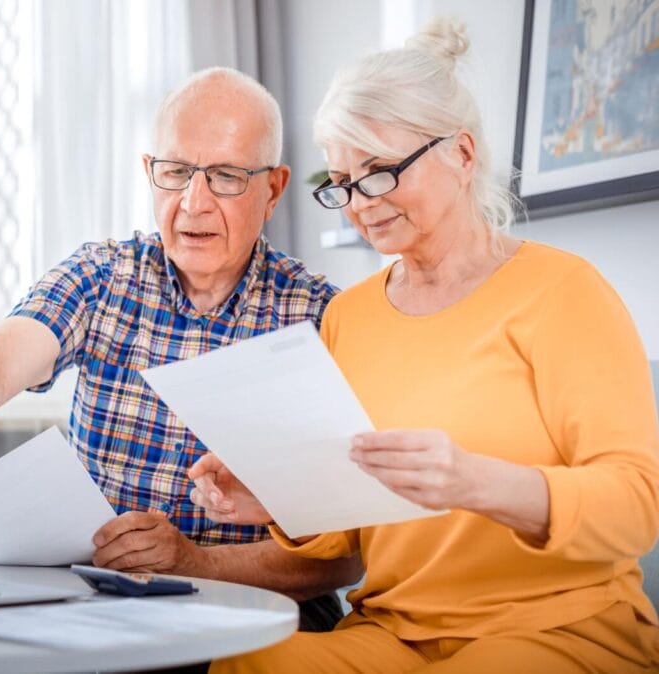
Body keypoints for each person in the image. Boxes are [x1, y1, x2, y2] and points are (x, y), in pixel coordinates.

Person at [190, 18, 659, 673]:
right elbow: (348, 534)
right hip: (392, 634)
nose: (358, 203)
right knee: (245, 663)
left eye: (380, 173)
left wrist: (472, 482)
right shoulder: (347, 318)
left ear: (462, 154)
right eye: (343, 182)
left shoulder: (564, 292)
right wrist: (280, 498)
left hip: (558, 628)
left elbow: (637, 508)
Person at [0, 67, 362, 633]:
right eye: (176, 171)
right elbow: (1, 351)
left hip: (254, 617)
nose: (193, 203)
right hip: (96, 608)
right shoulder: (102, 276)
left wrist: (194, 561)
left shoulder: (323, 319)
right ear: (149, 173)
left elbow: (344, 555)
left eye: (227, 176)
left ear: (274, 189)